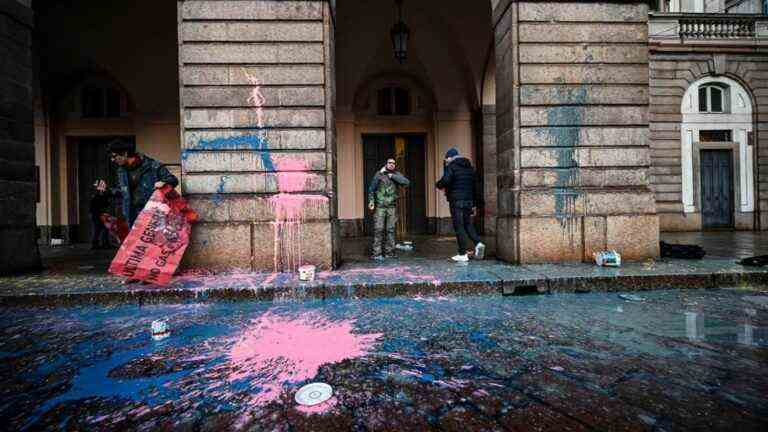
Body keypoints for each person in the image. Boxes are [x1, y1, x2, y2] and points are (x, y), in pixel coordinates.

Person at [98, 139, 179, 227]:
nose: (112, 160)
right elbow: (123, 193)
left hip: (152, 214)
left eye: (114, 156)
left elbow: (173, 180)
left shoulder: (152, 166)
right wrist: (107, 191)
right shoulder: (121, 171)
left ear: (125, 153)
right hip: (132, 216)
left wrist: (164, 182)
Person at [436, 148, 485, 262]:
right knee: (468, 224)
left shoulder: (451, 166)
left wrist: (438, 184)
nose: (446, 161)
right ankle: (478, 243)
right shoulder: (470, 168)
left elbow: (446, 180)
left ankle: (462, 253)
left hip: (456, 201)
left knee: (459, 226)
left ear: (450, 157)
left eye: (446, 159)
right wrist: (475, 203)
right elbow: (476, 187)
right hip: (468, 201)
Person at [368, 158, 410, 260]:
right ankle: (377, 253)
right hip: (380, 207)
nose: (391, 164)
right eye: (389, 163)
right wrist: (371, 201)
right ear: (386, 164)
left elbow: (406, 182)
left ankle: (389, 253)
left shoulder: (397, 174)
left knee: (390, 230)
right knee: (378, 229)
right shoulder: (379, 174)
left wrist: (393, 176)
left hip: (391, 207)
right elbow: (371, 189)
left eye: (393, 163)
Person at [89, 179, 111, 250]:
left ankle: (105, 243)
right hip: (96, 214)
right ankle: (95, 244)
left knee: (105, 229)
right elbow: (92, 206)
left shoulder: (103, 195)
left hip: (102, 214)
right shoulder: (96, 196)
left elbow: (106, 204)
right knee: (97, 229)